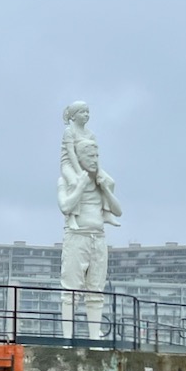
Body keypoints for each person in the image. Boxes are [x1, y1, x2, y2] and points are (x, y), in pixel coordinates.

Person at [57, 137, 122, 339]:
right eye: (89, 156)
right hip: (77, 237)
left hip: (98, 238)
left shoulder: (102, 182)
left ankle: (95, 337)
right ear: (79, 157)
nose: (94, 159)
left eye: (96, 156)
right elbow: (65, 206)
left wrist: (105, 190)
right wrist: (80, 186)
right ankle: (68, 338)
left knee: (96, 291)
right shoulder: (66, 181)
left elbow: (118, 211)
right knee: (71, 291)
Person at [60, 101, 118, 225]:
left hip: (89, 165)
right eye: (82, 112)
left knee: (110, 182)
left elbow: (96, 155)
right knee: (76, 182)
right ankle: (72, 217)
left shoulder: (91, 134)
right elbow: (71, 153)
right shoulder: (69, 131)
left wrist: (99, 172)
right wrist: (79, 172)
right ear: (73, 116)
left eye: (87, 112)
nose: (86, 115)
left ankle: (106, 213)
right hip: (69, 164)